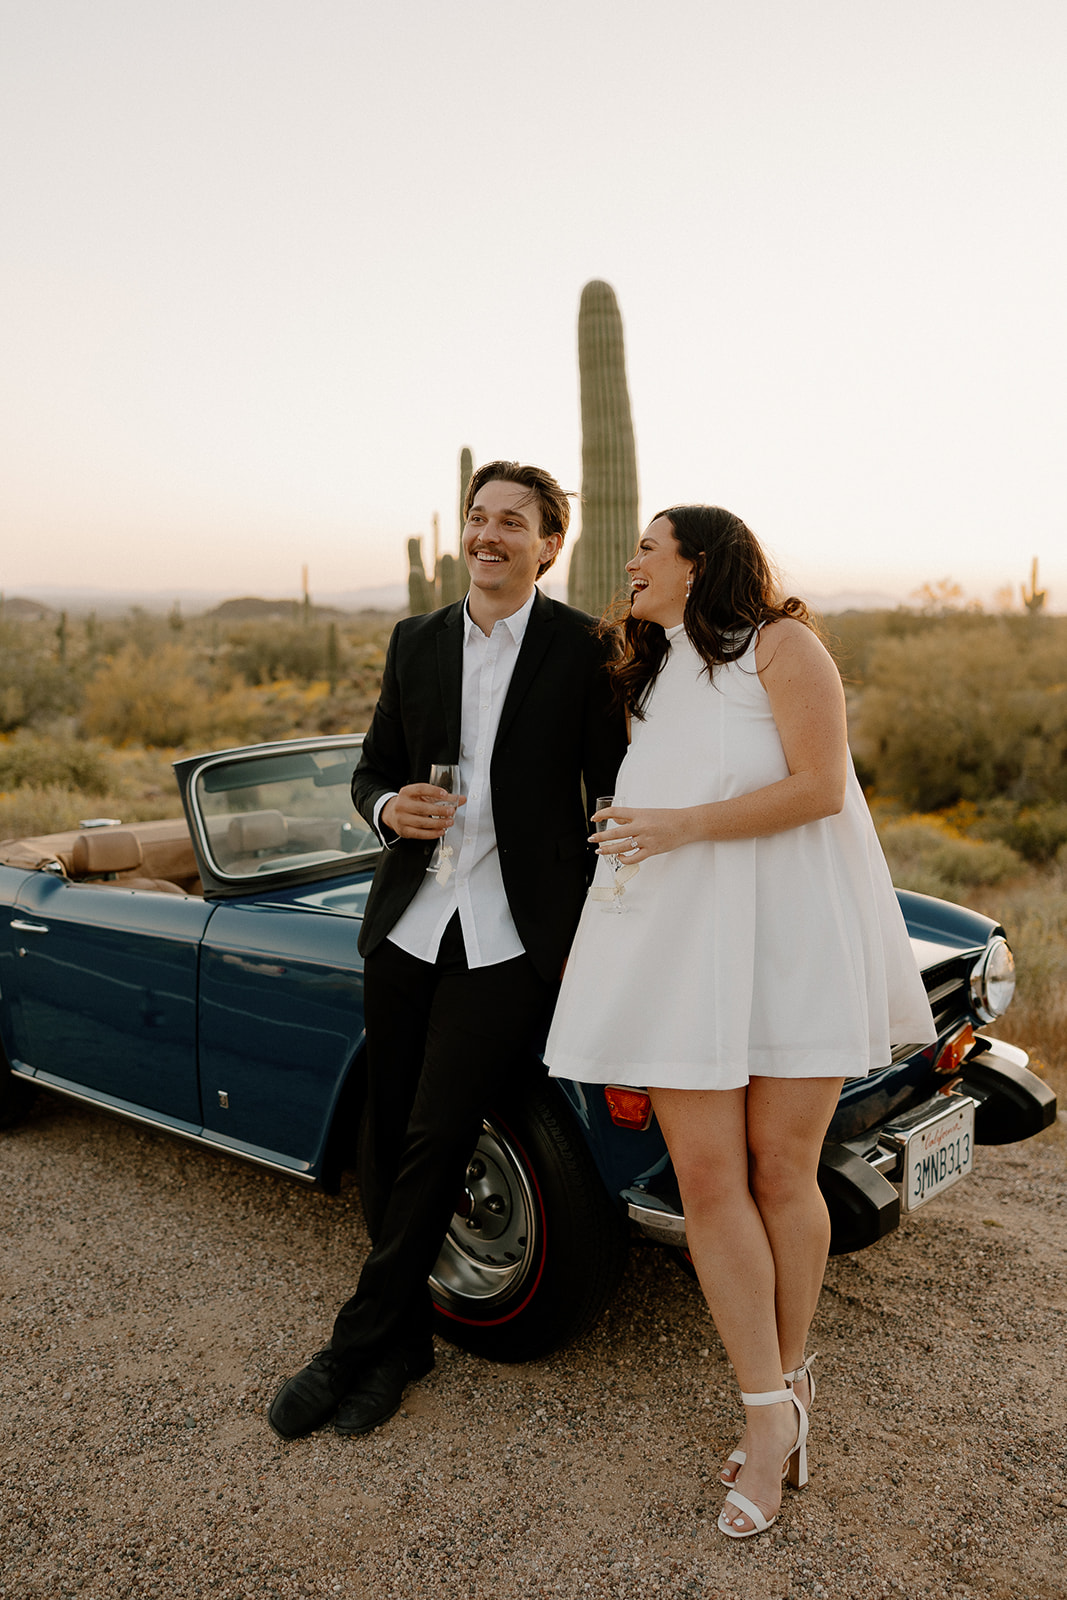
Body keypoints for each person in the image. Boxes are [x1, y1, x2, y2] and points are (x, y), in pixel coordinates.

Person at [543, 505, 936, 1538]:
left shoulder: (782, 645)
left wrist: (677, 827)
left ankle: (786, 1388)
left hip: (785, 941)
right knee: (708, 1182)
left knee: (779, 1172)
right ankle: (767, 1413)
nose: (626, 562)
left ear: (700, 562)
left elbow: (817, 789)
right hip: (679, 950)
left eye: (645, 548)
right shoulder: (652, 671)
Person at [268, 460, 627, 1441]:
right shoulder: (413, 639)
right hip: (407, 923)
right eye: (477, 516)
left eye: (512, 521)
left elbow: (612, 792)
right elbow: (370, 769)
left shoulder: (584, 649)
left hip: (509, 939)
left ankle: (353, 1341)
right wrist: (390, 808)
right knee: (386, 1132)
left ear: (549, 543)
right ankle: (408, 1340)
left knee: (436, 1131)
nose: (487, 534)